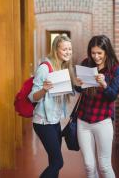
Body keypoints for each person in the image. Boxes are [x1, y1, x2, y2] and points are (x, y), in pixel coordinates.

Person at [75, 35, 119, 178]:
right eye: (93, 52)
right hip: (83, 120)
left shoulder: (116, 69)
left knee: (104, 166)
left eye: (99, 53)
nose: (95, 57)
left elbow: (113, 95)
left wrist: (104, 85)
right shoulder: (86, 63)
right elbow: (80, 90)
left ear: (107, 52)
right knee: (89, 166)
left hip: (103, 121)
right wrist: (78, 85)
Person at [28, 34, 74, 178]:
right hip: (43, 122)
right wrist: (44, 89)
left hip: (54, 122)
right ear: (56, 50)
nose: (68, 52)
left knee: (53, 162)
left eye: (70, 49)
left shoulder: (62, 67)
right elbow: (32, 97)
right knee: (58, 162)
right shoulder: (45, 67)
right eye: (64, 49)